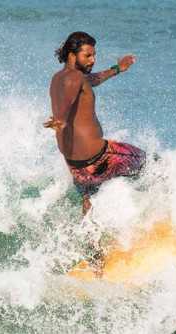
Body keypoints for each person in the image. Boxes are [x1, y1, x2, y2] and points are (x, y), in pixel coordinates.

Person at [44, 31, 146, 215]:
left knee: (89, 201)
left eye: (94, 55)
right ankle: (163, 208)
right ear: (72, 55)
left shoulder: (60, 78)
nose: (93, 60)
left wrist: (117, 69)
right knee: (148, 164)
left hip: (76, 166)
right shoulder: (75, 78)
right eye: (88, 56)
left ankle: (91, 240)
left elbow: (92, 80)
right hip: (100, 157)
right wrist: (60, 119)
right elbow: (65, 104)